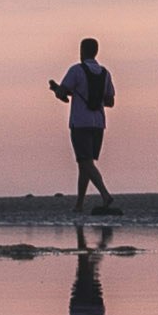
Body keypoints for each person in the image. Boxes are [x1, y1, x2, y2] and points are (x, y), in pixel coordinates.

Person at [48, 38, 115, 198]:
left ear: (82, 51)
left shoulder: (76, 70)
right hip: (98, 123)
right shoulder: (105, 73)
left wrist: (56, 89)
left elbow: (62, 93)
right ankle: (79, 204)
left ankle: (105, 195)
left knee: (84, 162)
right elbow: (110, 101)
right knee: (86, 163)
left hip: (80, 122)